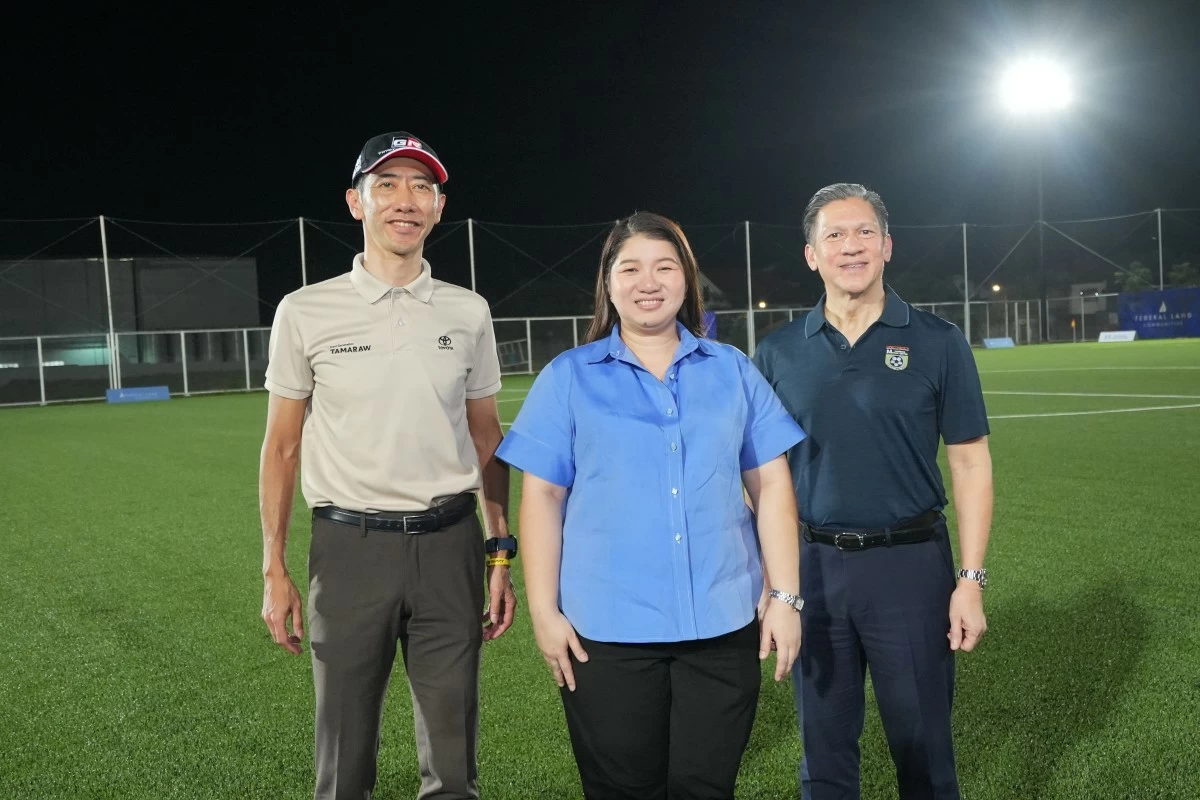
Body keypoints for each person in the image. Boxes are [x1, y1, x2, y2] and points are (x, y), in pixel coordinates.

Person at [497, 211, 806, 800]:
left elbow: (773, 488)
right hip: (606, 635)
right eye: (630, 268)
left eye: (664, 267)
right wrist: (544, 611)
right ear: (608, 284)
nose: (648, 281)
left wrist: (786, 595)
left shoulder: (733, 370)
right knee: (621, 789)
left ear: (687, 281)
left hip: (722, 627)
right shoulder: (569, 377)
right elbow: (542, 497)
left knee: (705, 787)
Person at [258, 131, 517, 800]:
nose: (406, 200)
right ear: (356, 202)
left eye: (421, 187)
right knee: (343, 766)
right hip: (348, 550)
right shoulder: (305, 310)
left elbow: (487, 440)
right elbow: (282, 446)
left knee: (455, 767)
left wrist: (498, 553)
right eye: (388, 185)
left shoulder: (468, 311)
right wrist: (273, 567)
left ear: (438, 206)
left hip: (450, 547)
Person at [752, 183, 993, 800]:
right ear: (812, 255)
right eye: (833, 235)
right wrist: (773, 581)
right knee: (824, 755)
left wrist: (971, 579)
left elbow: (969, 464)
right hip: (813, 572)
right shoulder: (777, 352)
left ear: (887, 246)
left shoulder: (939, 342)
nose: (850, 246)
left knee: (924, 752)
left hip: (910, 567)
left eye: (863, 233)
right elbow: (757, 475)